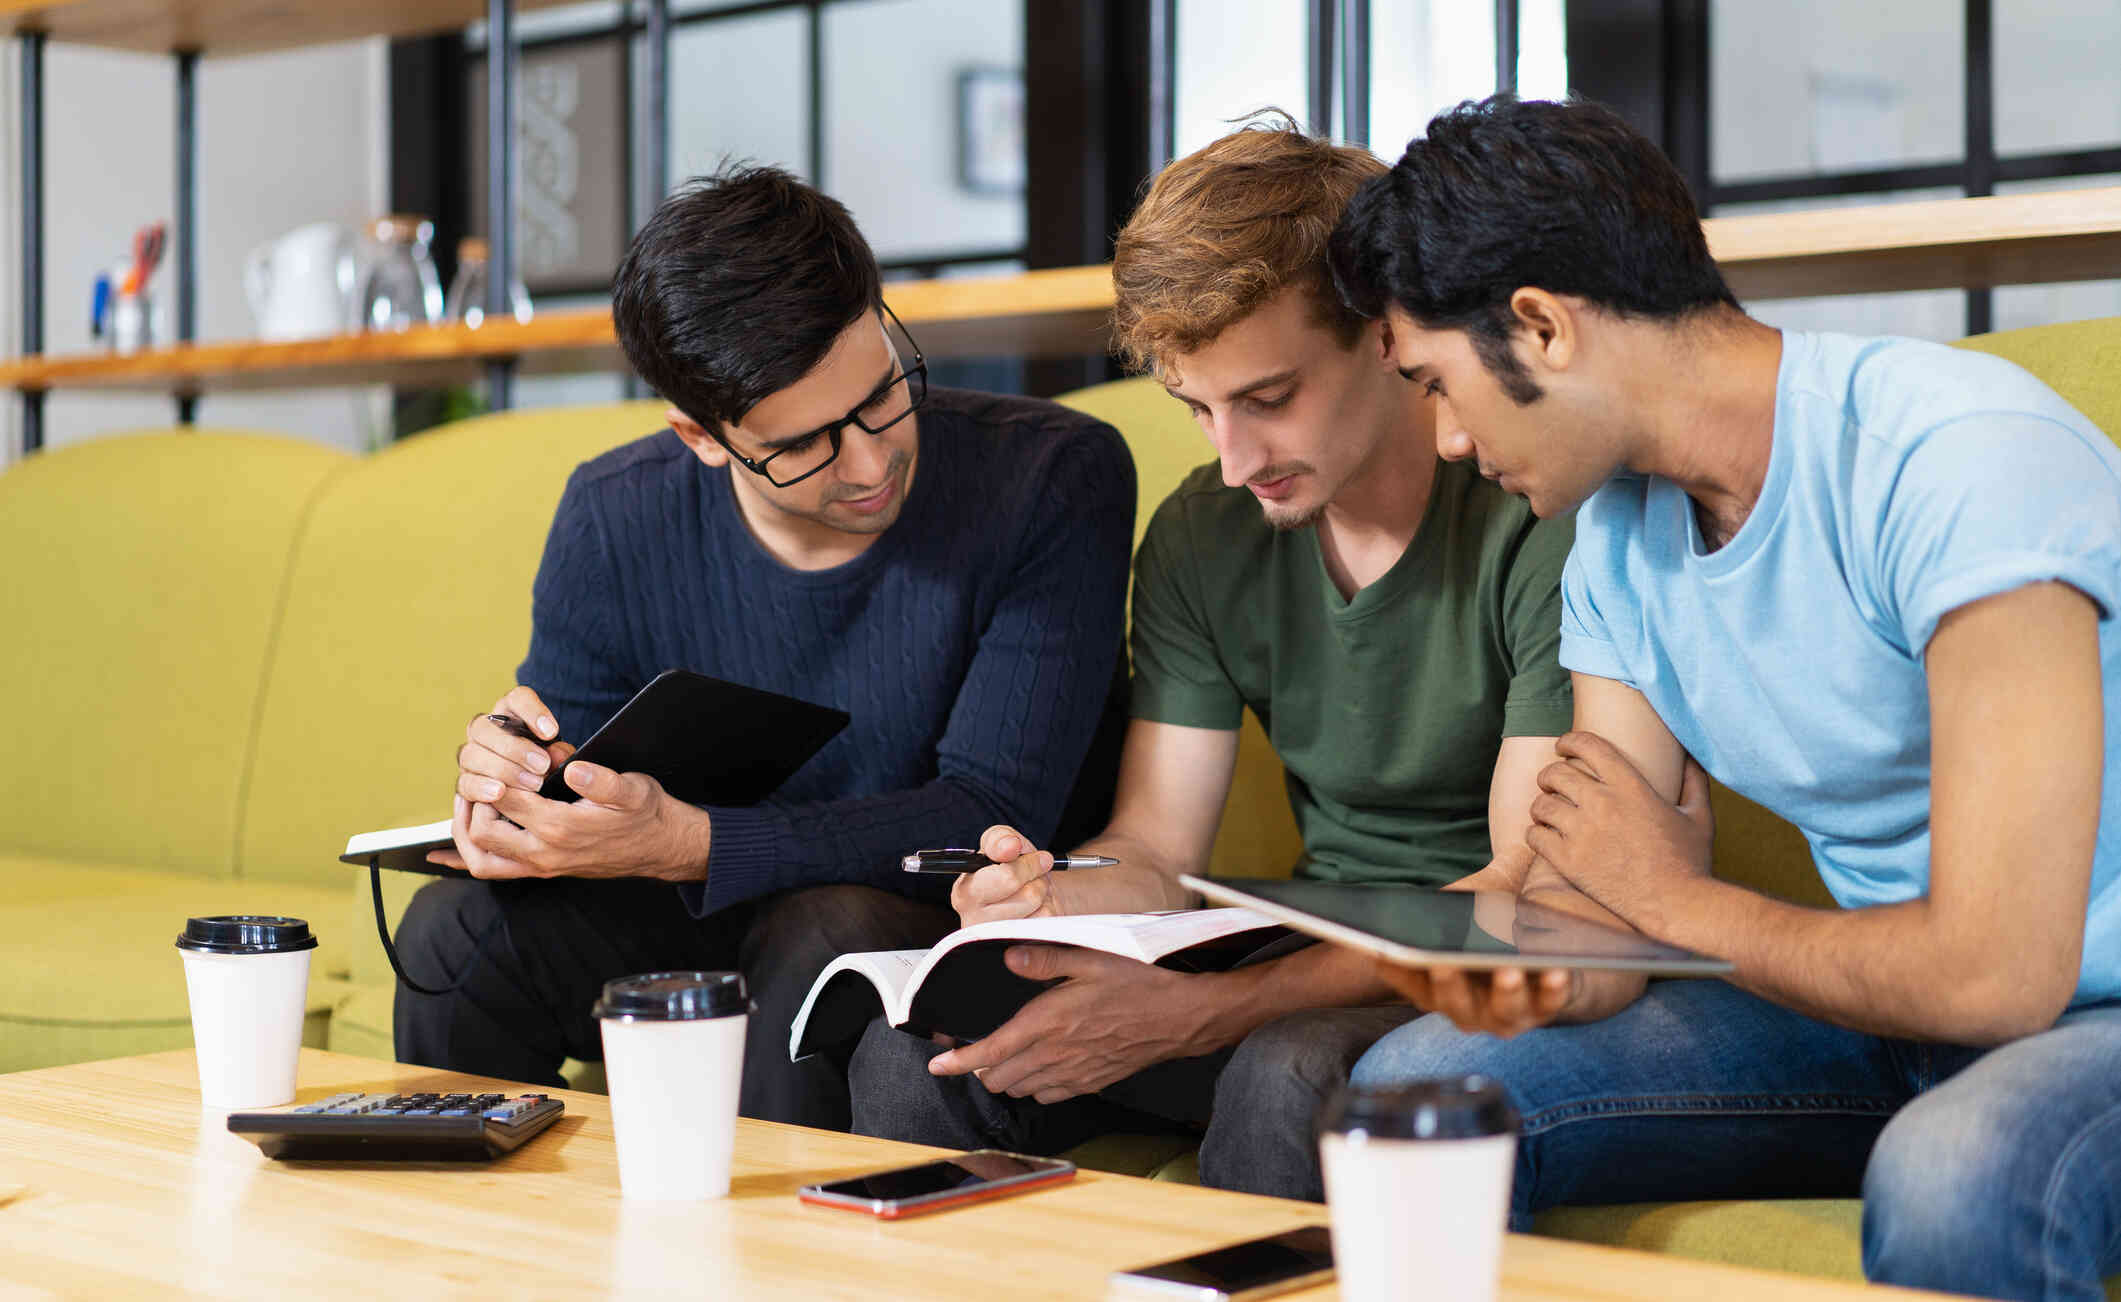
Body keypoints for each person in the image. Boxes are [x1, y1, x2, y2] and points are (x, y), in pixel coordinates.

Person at [1329, 94, 2121, 1301]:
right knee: (1424, 1083)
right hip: (1881, 1017)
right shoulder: (1615, 545)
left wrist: (1676, 901)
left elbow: (1998, 975)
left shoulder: (1952, 460)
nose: (1443, 440)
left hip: (2081, 1004)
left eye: (1438, 383)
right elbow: (1599, 895)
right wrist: (1522, 966)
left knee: (1960, 1164)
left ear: (1539, 327)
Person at [846, 116, 1577, 1201]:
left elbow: (1519, 897)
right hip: (1301, 952)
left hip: (1472, 979)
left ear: (1386, 333)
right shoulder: (1204, 532)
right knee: (919, 1053)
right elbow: (1154, 843)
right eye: (1197, 408)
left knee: (1286, 1072)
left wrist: (1209, 1009)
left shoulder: (1532, 506)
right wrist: (1052, 894)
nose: (1234, 461)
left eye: (1267, 400)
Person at [391, 165, 1135, 1132]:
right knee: (456, 931)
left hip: (938, 914)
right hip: (696, 907)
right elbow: (579, 777)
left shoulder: (1051, 476)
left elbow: (993, 809)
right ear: (702, 438)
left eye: (883, 396)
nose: (871, 464)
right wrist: (516, 794)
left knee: (822, 933)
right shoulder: (615, 511)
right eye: (803, 446)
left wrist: (692, 842)